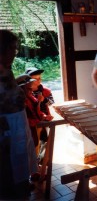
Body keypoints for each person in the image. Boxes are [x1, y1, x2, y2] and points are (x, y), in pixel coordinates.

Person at [0, 30, 38, 199]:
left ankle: (21, 187)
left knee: (20, 165)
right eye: (13, 49)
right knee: (8, 171)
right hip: (5, 130)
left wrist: (19, 84)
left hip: (17, 124)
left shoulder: (5, 68)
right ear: (3, 49)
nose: (15, 53)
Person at [25, 67, 54, 156]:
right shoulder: (26, 92)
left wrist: (44, 99)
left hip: (45, 118)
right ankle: (35, 160)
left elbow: (51, 102)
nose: (39, 81)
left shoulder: (45, 90)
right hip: (32, 121)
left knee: (44, 139)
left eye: (40, 78)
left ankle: (43, 159)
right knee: (34, 140)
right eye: (35, 79)